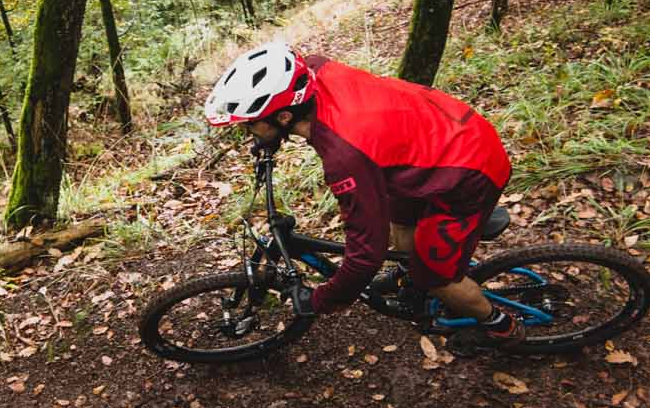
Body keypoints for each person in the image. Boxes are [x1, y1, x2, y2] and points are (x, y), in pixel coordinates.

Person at [202, 40, 522, 352]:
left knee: (436, 276)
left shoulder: (345, 157)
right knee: (402, 229)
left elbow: (367, 253)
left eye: (251, 125)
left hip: (469, 169)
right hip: (436, 137)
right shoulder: (314, 71)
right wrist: (269, 140)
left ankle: (500, 326)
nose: (248, 131)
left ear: (284, 117)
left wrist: (321, 300)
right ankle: (410, 277)